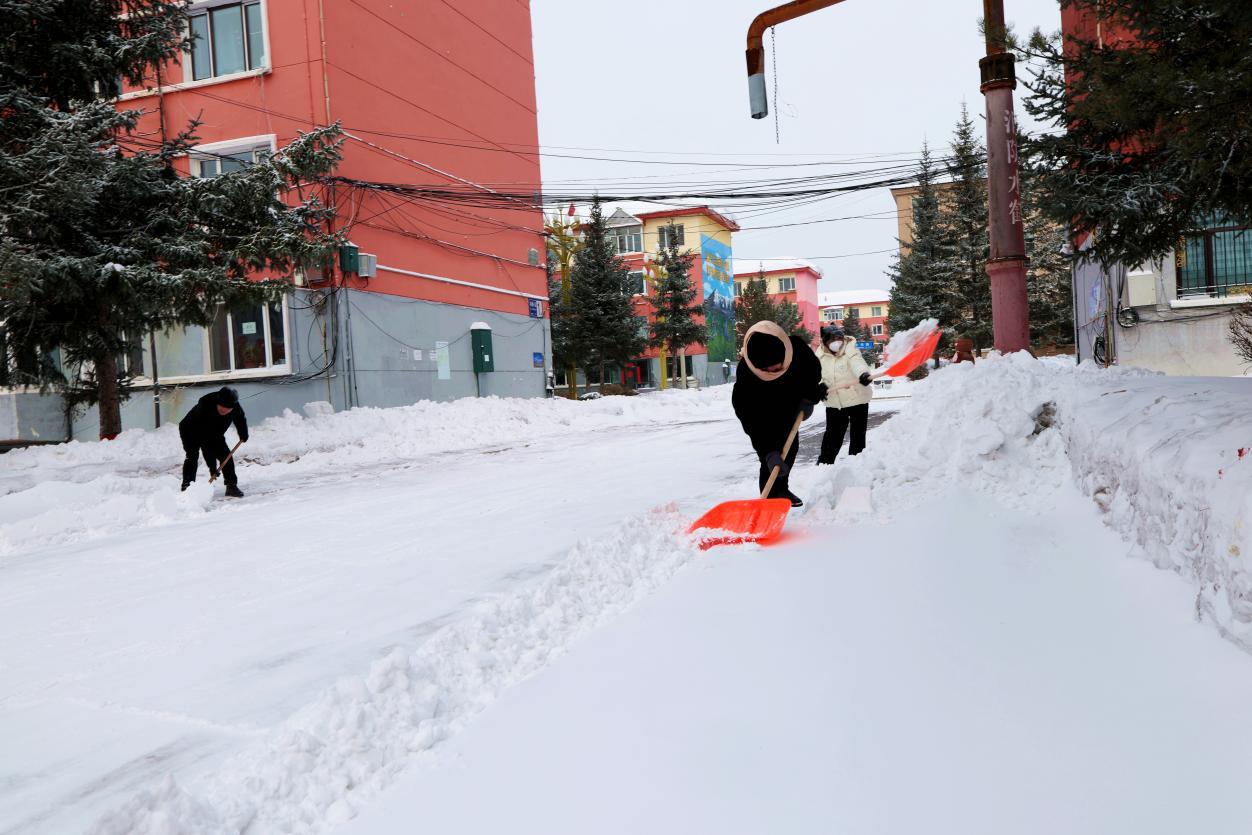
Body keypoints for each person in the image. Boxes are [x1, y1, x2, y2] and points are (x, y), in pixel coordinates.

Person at [732, 321, 825, 507]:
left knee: (790, 449)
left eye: (777, 367)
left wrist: (809, 396)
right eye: (768, 370)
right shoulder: (746, 376)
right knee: (772, 457)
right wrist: (767, 451)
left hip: (790, 402)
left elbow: (813, 373)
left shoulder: (797, 350)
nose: (774, 372)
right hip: (764, 411)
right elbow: (751, 419)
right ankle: (769, 498)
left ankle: (781, 489)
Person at [817, 325, 873, 466]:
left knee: (858, 435)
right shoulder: (819, 356)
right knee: (832, 436)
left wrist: (863, 374)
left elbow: (857, 363)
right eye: (832, 340)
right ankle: (824, 464)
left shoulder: (850, 349)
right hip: (835, 402)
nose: (837, 343)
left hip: (857, 398)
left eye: (839, 339)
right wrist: (820, 385)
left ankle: (856, 464)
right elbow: (815, 374)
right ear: (825, 342)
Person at [179, 386, 248, 497]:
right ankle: (187, 486)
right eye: (222, 407)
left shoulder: (235, 406)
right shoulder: (205, 405)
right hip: (191, 429)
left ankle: (231, 485)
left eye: (228, 409)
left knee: (226, 455)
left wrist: (243, 433)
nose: (224, 410)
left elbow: (240, 419)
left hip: (215, 432)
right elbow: (206, 443)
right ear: (217, 402)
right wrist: (212, 467)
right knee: (192, 455)